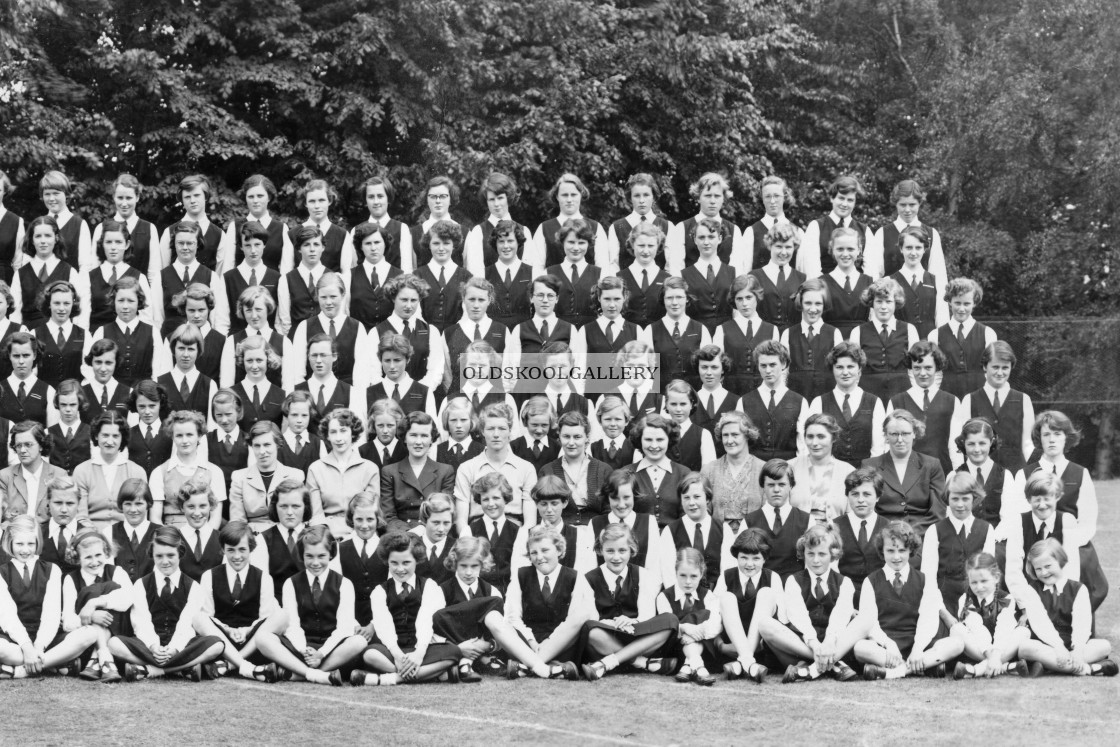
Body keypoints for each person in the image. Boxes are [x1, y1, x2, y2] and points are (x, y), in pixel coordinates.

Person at [107, 525, 226, 682]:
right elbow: (141, 622)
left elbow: (186, 625)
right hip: (149, 646)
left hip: (181, 646)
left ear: (180, 554)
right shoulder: (141, 584)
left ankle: (153, 670)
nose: (165, 561)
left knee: (217, 645)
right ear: (152, 555)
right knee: (114, 643)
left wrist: (174, 649)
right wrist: (154, 647)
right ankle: (182, 668)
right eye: (159, 556)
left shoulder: (193, 587)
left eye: (171, 555)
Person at [848, 520, 964, 680]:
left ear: (910, 550)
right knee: (860, 648)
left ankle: (894, 672)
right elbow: (869, 624)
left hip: (919, 644)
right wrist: (889, 644)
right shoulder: (871, 581)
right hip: (886, 645)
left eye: (902, 550)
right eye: (890, 551)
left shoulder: (924, 580)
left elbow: (928, 620)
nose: (896, 557)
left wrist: (917, 650)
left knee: (957, 644)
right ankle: (924, 667)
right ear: (882, 551)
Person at [254, 524, 367, 685]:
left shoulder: (344, 584)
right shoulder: (291, 583)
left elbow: (344, 628)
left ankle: (302, 673)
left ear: (331, 554)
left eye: (321, 556)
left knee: (359, 641)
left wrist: (321, 653)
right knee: (263, 638)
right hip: (301, 648)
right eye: (309, 556)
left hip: (332, 650)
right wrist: (304, 650)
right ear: (302, 555)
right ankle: (317, 674)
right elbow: (292, 625)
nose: (315, 562)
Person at [759, 524, 861, 683]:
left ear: (833, 554)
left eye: (822, 554)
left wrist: (828, 642)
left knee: (863, 619)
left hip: (834, 646)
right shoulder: (794, 580)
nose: (815, 560)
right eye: (810, 553)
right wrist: (816, 647)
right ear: (803, 553)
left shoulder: (844, 582)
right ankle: (833, 664)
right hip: (800, 648)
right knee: (765, 624)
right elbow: (799, 619)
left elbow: (839, 619)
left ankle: (811, 669)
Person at [0, 515, 99, 678]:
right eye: (19, 544)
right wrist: (26, 647)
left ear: (38, 542)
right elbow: (7, 616)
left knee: (90, 633)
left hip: (47, 640)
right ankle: (53, 664)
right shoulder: (2, 573)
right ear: (9, 543)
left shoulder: (52, 569)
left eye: (31, 543)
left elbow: (51, 615)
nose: (25, 550)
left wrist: (38, 647)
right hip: (15, 642)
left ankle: (21, 670)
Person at [580, 523, 680, 681]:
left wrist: (632, 620)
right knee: (590, 630)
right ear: (601, 551)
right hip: (607, 637)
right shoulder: (589, 579)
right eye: (610, 551)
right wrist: (612, 623)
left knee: (671, 620)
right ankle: (642, 663)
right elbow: (592, 618)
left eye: (622, 551)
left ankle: (609, 662)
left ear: (631, 550)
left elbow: (646, 615)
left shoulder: (643, 575)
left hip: (637, 634)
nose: (616, 557)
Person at [191, 520, 285, 682]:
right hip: (221, 639)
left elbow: (265, 618)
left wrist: (246, 631)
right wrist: (227, 630)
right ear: (222, 550)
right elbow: (208, 615)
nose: (236, 556)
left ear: (251, 549)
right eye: (231, 550)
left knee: (282, 616)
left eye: (242, 550)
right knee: (198, 618)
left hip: (251, 643)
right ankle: (247, 667)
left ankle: (229, 664)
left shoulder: (263, 578)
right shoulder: (209, 576)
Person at [1016, 539, 1116, 677]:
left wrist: (1078, 650)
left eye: (1048, 566)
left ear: (1060, 561)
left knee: (1104, 646)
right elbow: (1041, 624)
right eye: (1038, 569)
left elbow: (1082, 625)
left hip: (1073, 645)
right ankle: (1089, 670)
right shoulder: (1032, 590)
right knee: (1025, 648)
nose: (1044, 572)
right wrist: (1058, 647)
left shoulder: (1078, 589)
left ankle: (1048, 666)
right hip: (1046, 645)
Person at [504, 525, 594, 678]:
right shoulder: (521, 576)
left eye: (545, 550)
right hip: (528, 644)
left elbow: (575, 620)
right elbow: (512, 616)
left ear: (559, 551)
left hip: (564, 645)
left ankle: (527, 667)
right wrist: (531, 641)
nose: (539, 557)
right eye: (534, 553)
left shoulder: (575, 577)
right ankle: (554, 669)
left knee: (582, 614)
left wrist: (550, 644)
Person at [61, 528, 133, 682]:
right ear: (78, 558)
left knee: (109, 590)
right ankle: (105, 659)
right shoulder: (71, 579)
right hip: (87, 638)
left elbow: (127, 600)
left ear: (106, 552)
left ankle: (98, 658)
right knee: (91, 592)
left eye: (98, 555)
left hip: (118, 633)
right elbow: (67, 620)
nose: (94, 562)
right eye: (88, 557)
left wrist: (93, 603)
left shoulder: (116, 571)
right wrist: (89, 617)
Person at [952, 341, 1034, 473]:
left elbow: (1027, 443)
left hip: (1016, 473)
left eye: (1005, 368)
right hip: (980, 475)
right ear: (985, 366)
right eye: (995, 367)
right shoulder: (969, 400)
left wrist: (1025, 474)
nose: (1000, 373)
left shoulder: (1024, 399)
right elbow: (964, 443)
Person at [453, 403, 537, 533]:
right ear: (482, 431)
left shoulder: (526, 468)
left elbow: (530, 521)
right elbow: (461, 521)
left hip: (514, 533)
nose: (496, 434)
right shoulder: (467, 468)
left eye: (502, 428)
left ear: (510, 430)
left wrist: (520, 544)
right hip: (477, 533)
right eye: (491, 428)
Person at [862, 409, 946, 537]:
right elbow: (867, 509)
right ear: (886, 436)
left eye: (905, 434)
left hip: (920, 537)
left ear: (914, 434)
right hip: (882, 537)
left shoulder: (931, 465)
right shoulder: (870, 466)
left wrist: (909, 535)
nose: (900, 440)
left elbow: (937, 512)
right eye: (894, 434)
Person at [920, 472, 996, 609]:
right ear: (947, 499)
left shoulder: (986, 529)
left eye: (965, 499)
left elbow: (987, 576)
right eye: (955, 499)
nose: (960, 505)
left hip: (975, 601)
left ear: (974, 498)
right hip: (941, 602)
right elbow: (928, 579)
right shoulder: (934, 531)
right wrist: (942, 612)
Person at [949, 552, 1030, 679]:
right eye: (974, 582)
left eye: (984, 581)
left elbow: (1004, 629)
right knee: (956, 629)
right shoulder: (966, 599)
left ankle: (975, 670)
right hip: (978, 648)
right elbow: (977, 629)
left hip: (1002, 647)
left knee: (1023, 631)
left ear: (996, 577)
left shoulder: (1006, 598)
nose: (979, 587)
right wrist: (992, 657)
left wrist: (996, 656)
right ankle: (1005, 667)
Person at [808, 342, 886, 468]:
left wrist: (868, 473)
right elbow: (813, 443)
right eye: (839, 367)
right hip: (829, 471)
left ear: (859, 370)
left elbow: (878, 446)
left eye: (850, 367)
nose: (845, 372)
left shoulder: (874, 402)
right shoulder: (819, 402)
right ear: (833, 370)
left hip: (864, 472)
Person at [307, 408, 379, 539]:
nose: (339, 438)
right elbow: (316, 515)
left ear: (353, 433)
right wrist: (327, 538)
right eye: (333, 432)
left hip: (359, 533)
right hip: (325, 536)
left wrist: (352, 539)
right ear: (327, 435)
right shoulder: (315, 469)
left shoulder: (370, 469)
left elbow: (369, 513)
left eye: (343, 431)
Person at [887, 341, 957, 475]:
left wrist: (955, 475)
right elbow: (888, 444)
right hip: (907, 473)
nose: (922, 373)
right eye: (917, 367)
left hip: (942, 473)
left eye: (928, 367)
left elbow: (954, 447)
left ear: (937, 367)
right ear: (911, 368)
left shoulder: (952, 401)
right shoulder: (896, 401)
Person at [149, 410, 227, 529]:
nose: (185, 441)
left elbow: (215, 518)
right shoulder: (159, 472)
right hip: (171, 537)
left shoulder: (214, 472)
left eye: (190, 435)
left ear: (199, 435)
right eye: (179, 435)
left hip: (203, 534)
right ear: (172, 437)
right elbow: (155, 518)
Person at [151, 221, 229, 338]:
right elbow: (156, 319)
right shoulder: (160, 277)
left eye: (190, 243)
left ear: (198, 244)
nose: (185, 248)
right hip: (169, 343)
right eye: (180, 243)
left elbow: (216, 319)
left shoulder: (211, 277)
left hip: (202, 344)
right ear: (174, 244)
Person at [865, 180, 948, 290]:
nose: (907, 210)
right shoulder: (882, 234)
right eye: (903, 205)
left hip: (924, 300)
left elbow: (939, 277)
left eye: (912, 204)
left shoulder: (932, 234)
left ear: (919, 203)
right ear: (896, 204)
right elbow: (873, 274)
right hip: (892, 300)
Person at [656, 547, 721, 686]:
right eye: (683, 575)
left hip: (704, 651)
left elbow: (716, 625)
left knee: (705, 614)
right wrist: (685, 628)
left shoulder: (708, 595)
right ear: (676, 573)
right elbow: (666, 628)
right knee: (676, 620)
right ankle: (698, 665)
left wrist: (693, 633)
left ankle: (690, 665)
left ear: (701, 573)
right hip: (675, 651)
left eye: (693, 576)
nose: (688, 582)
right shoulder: (664, 597)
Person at [849, 277, 920, 403]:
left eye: (888, 301)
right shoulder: (858, 332)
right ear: (872, 303)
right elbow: (855, 369)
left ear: (896, 303)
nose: (883, 307)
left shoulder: (909, 330)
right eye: (879, 301)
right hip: (868, 392)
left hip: (901, 390)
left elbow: (915, 367)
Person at [371, 273, 446, 392]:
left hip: (421, 396)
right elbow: (373, 372)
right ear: (393, 298)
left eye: (414, 300)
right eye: (404, 300)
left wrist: (418, 392)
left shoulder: (431, 332)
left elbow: (435, 371)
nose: (409, 306)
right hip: (388, 398)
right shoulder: (376, 332)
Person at [589, 468, 662, 588]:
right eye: (615, 498)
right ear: (608, 497)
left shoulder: (649, 522)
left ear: (634, 495)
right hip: (604, 596)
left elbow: (654, 569)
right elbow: (589, 567)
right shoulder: (595, 523)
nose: (621, 504)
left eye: (626, 497)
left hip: (641, 593)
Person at [72, 409, 146, 527]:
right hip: (92, 536)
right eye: (105, 435)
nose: (110, 441)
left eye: (115, 436)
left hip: (126, 536)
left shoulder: (136, 472)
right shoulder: (82, 471)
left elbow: (140, 516)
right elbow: (81, 517)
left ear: (122, 438)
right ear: (96, 436)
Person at [11, 216, 85, 330]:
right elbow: (15, 313)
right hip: (29, 337)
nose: (43, 241)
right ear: (31, 239)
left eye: (48, 236)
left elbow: (78, 312)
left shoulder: (70, 272)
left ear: (56, 238)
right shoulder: (21, 274)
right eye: (38, 236)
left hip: (60, 337)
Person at [739, 340, 809, 461]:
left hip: (788, 467)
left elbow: (803, 445)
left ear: (783, 364)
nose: (768, 370)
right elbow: (740, 441)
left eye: (772, 365)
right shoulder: (744, 401)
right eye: (763, 365)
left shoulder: (800, 401)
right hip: (754, 468)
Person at [510, 477, 595, 576]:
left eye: (554, 503)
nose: (549, 509)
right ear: (537, 504)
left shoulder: (579, 535)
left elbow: (585, 573)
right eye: (544, 504)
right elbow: (518, 572)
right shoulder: (524, 535)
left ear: (565, 503)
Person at [228, 422, 304, 532]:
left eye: (267, 445)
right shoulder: (239, 477)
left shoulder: (295, 476)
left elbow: (298, 518)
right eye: (257, 446)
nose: (262, 452)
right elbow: (237, 521)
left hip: (285, 534)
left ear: (278, 444)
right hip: (252, 536)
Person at [665, 172, 746, 275]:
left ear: (723, 198)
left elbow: (737, 269)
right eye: (707, 196)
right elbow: (676, 269)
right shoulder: (682, 228)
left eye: (717, 196)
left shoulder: (734, 230)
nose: (712, 201)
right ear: (698, 197)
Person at [220, 285, 298, 391]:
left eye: (258, 309)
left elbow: (288, 387)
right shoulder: (232, 342)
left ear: (268, 308)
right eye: (248, 310)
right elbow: (226, 385)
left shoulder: (284, 342)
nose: (254, 316)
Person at [953, 417, 1027, 528]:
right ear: (964, 443)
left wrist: (992, 540)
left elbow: (1009, 518)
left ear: (991, 442)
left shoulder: (1005, 476)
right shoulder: (954, 476)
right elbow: (952, 517)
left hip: (997, 540)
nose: (977, 449)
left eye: (982, 443)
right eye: (971, 444)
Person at [527, 173, 609, 272]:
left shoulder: (595, 227)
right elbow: (537, 268)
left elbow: (603, 267)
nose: (569, 200)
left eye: (573, 195)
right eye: (564, 195)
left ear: (581, 195)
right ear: (557, 196)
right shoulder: (544, 228)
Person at [86, 276, 158, 388]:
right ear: (113, 301)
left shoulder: (152, 332)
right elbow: (92, 369)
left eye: (130, 301)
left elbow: (159, 371)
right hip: (112, 395)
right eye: (120, 300)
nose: (125, 306)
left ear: (139, 301)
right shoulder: (101, 332)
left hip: (143, 396)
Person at [744, 460, 813, 578]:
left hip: (795, 590)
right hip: (761, 589)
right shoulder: (749, 521)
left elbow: (811, 563)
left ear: (791, 485)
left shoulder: (806, 520)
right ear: (763, 487)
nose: (776, 490)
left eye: (782, 484)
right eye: (771, 485)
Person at [929, 277, 997, 398]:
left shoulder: (988, 333)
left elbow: (991, 371)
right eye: (957, 303)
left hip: (979, 396)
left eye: (966, 304)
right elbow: (936, 374)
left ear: (974, 303)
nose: (961, 309)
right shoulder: (935, 335)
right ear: (949, 302)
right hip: (947, 397)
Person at [796, 175, 873, 280]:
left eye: (850, 200)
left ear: (855, 203)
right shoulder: (816, 227)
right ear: (832, 198)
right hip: (824, 291)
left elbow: (871, 272)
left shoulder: (865, 231)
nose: (844, 204)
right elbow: (811, 270)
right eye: (841, 198)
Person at [658, 472, 725, 591]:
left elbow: (727, 571)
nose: (691, 503)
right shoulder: (670, 531)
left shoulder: (723, 530)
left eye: (697, 497)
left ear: (708, 498)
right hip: (681, 599)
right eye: (686, 498)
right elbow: (668, 574)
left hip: (715, 597)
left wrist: (714, 600)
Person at [713, 275, 778, 397]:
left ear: (757, 297)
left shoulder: (772, 330)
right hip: (732, 390)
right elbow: (717, 367)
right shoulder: (722, 329)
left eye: (748, 297)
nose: (744, 303)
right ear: (734, 300)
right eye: (739, 299)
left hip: (762, 392)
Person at [332, 493, 387, 633]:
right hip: (350, 622)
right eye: (359, 519)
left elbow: (392, 592)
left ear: (378, 519)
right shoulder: (340, 549)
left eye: (370, 519)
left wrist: (375, 625)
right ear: (351, 519)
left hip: (382, 623)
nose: (364, 525)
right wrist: (353, 624)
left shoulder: (387, 549)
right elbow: (337, 592)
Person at [463, 172, 535, 277]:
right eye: (491, 199)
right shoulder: (478, 232)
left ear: (508, 197)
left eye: (500, 198)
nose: (496, 204)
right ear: (486, 201)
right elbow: (475, 272)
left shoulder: (525, 231)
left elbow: (528, 270)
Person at [87, 218, 153, 331]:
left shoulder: (139, 277)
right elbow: (83, 317)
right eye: (108, 242)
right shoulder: (89, 277)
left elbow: (146, 317)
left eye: (118, 242)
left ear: (127, 244)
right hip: (97, 341)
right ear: (102, 244)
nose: (113, 247)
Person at [626, 412, 691, 527]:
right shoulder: (627, 473)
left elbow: (687, 518)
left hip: (674, 541)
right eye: (648, 439)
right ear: (639, 440)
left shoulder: (684, 474)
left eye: (660, 439)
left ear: (669, 440)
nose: (654, 445)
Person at [701, 411, 765, 525]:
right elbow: (703, 511)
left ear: (747, 435)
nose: (729, 441)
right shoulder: (709, 470)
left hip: (754, 538)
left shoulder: (763, 469)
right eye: (725, 435)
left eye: (735, 435)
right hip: (718, 537)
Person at [788, 413, 855, 522]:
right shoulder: (789, 467)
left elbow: (852, 516)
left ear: (833, 438)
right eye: (810, 437)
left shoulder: (848, 472)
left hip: (836, 535)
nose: (814, 443)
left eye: (821, 437)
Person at [222, 175, 293, 276]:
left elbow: (286, 268)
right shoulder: (235, 226)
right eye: (251, 196)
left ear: (269, 197)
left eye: (260, 196)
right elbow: (228, 266)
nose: (255, 201)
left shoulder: (281, 229)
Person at [835, 468, 887, 606]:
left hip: (879, 599)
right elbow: (831, 572)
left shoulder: (888, 528)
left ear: (878, 497)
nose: (860, 500)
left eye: (867, 494)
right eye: (855, 494)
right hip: (844, 600)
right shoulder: (834, 527)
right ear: (847, 495)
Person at [461, 473, 520, 592]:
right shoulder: (469, 530)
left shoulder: (518, 532)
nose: (491, 504)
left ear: (505, 499)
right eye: (485, 499)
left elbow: (518, 572)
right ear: (479, 500)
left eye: (496, 498)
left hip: (508, 592)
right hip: (479, 593)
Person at [253, 479, 310, 601]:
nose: (289, 512)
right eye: (283, 506)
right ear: (275, 507)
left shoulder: (318, 537)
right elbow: (262, 587)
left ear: (305, 507)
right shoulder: (262, 540)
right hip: (277, 609)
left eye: (296, 506)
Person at [651, 277, 711, 392]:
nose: (674, 303)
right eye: (669, 298)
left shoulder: (701, 329)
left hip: (694, 395)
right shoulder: (650, 330)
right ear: (663, 300)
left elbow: (708, 368)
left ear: (687, 299)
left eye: (679, 297)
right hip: (662, 397)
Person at [0, 421, 68, 523]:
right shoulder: (5, 476)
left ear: (41, 445)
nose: (22, 450)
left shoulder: (58, 475)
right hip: (15, 535)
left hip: (48, 536)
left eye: (28, 444)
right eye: (18, 445)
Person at [887, 225, 946, 339]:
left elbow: (942, 318)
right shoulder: (889, 281)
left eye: (918, 248)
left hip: (929, 343)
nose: (913, 253)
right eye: (909, 247)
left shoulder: (936, 281)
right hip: (899, 342)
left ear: (924, 249)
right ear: (901, 248)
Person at [605, 173, 671, 272]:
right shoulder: (617, 227)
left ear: (653, 197)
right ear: (630, 198)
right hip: (626, 285)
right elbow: (613, 266)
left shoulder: (667, 226)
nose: (641, 200)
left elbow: (671, 266)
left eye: (646, 195)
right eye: (636, 196)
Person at [415, 220, 472, 335]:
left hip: (457, 334)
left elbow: (468, 313)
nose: (441, 248)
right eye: (436, 243)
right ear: (429, 245)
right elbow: (415, 312)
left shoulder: (466, 276)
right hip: (425, 335)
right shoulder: (417, 275)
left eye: (446, 243)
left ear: (454, 245)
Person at [344, 221, 402, 331]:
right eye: (368, 243)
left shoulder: (400, 276)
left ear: (385, 244)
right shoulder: (349, 276)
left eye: (377, 242)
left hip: (391, 340)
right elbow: (345, 311)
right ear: (360, 246)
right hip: (360, 339)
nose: (373, 248)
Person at [681, 219, 737, 332]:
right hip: (696, 334)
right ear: (694, 240)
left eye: (711, 237)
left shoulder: (733, 272)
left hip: (726, 334)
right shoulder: (684, 275)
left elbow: (737, 311)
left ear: (720, 239)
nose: (706, 242)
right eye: (701, 237)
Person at [350, 175, 414, 272]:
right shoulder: (356, 230)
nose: (376, 202)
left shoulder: (402, 229)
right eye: (371, 197)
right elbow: (353, 268)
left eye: (380, 196)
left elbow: (407, 269)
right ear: (366, 200)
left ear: (388, 198)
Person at [156, 323, 218, 422]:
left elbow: (211, 426)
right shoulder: (158, 382)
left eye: (191, 349)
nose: (185, 354)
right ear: (173, 349)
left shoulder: (210, 385)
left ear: (198, 351)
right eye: (181, 348)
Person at [818, 227, 873, 339]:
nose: (845, 254)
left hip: (862, 340)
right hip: (830, 340)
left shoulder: (869, 282)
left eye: (850, 249)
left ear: (859, 250)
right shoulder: (821, 283)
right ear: (832, 249)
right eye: (840, 249)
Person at [365, 334, 437, 419]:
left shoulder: (424, 392)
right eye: (387, 361)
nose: (392, 366)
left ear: (408, 359)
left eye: (397, 360)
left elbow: (432, 429)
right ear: (381, 360)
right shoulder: (369, 393)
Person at [751, 220, 805, 330]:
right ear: (770, 246)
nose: (784, 253)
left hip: (792, 340)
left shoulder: (802, 278)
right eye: (779, 246)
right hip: (763, 339)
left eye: (788, 247)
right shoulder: (754, 276)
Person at [484, 219, 536, 331]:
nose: (506, 246)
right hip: (495, 335)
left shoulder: (532, 272)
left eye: (510, 241)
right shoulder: (485, 274)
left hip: (525, 333)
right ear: (495, 244)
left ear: (518, 242)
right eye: (501, 241)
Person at [297, 333, 364, 420]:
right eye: (314, 355)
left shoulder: (350, 392)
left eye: (323, 355)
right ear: (308, 357)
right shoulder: (297, 390)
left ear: (334, 356)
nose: (318, 360)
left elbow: (357, 429)